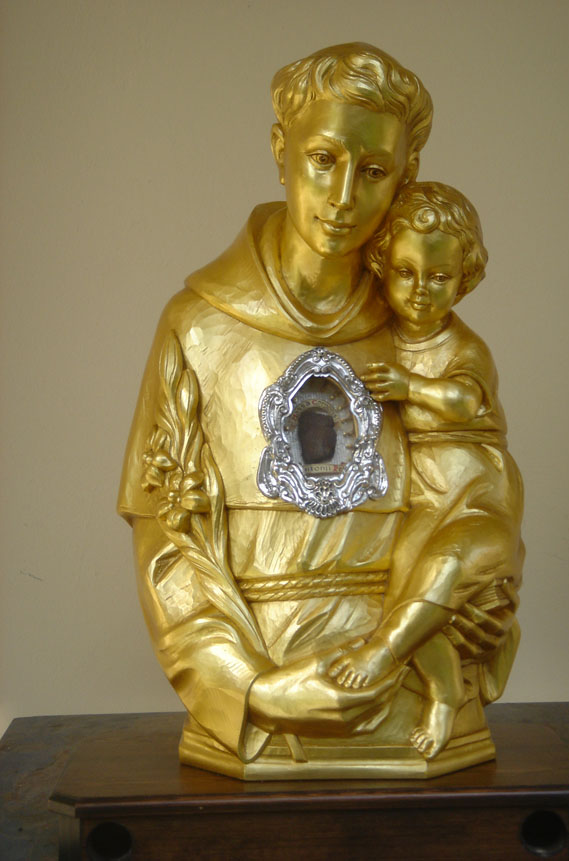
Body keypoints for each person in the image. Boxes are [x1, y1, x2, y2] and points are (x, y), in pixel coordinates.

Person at [118, 43, 436, 774]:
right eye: (324, 159)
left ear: (407, 175)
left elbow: (472, 491)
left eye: (375, 171)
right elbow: (166, 536)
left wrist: (472, 602)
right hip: (260, 687)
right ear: (279, 150)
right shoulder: (198, 327)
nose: (344, 195)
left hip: (407, 683)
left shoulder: (423, 334)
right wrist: (252, 690)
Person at [328, 182, 524, 760]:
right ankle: (443, 693)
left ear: (464, 279)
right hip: (423, 501)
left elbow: (464, 400)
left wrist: (411, 386)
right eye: (405, 273)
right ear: (382, 268)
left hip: (478, 503)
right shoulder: (376, 337)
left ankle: (381, 655)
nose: (419, 291)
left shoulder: (464, 346)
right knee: (406, 596)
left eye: (438, 277)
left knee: (445, 568)